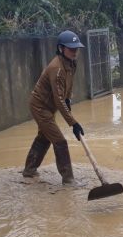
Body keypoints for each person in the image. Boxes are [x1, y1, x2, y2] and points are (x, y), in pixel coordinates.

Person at [22, 30, 85, 185]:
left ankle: (29, 170)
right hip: (40, 106)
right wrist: (74, 123)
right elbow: (58, 101)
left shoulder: (72, 63)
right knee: (60, 141)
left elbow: (69, 84)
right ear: (61, 49)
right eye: (71, 48)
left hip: (49, 107)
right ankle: (68, 179)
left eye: (76, 48)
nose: (74, 51)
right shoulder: (56, 69)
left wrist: (68, 99)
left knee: (44, 137)